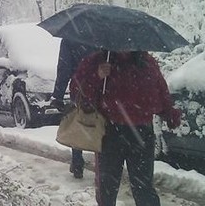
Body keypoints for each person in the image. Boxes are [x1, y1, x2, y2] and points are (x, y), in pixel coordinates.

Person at [70, 50, 182, 206]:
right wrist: (97, 75)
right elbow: (76, 91)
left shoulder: (146, 62)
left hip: (142, 134)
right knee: (106, 188)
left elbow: (161, 90)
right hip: (110, 132)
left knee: (143, 189)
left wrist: (170, 114)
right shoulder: (99, 60)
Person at [51, 38, 98, 179]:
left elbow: (64, 68)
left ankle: (77, 162)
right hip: (102, 87)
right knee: (100, 124)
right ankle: (103, 164)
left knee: (78, 123)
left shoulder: (71, 37)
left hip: (80, 87)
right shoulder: (104, 34)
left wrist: (58, 95)